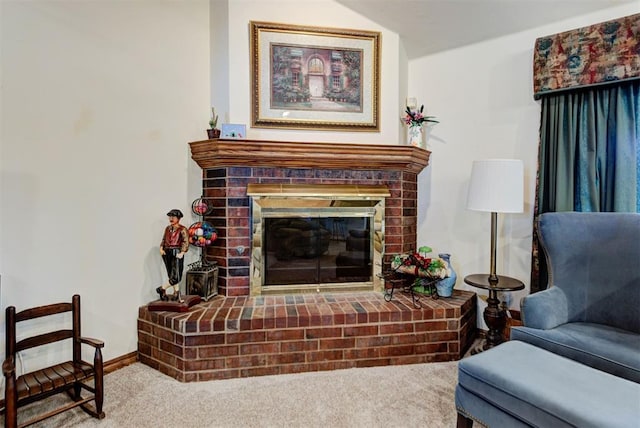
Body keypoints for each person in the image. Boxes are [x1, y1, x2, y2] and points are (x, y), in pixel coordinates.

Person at [157, 209, 189, 302]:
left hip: (176, 252)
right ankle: (176, 292)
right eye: (170, 217)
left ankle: (162, 289)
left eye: (173, 217)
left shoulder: (182, 229)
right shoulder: (167, 228)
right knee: (171, 274)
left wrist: (182, 252)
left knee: (176, 275)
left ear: (178, 218)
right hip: (167, 252)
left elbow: (185, 241)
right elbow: (163, 239)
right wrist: (161, 248)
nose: (171, 219)